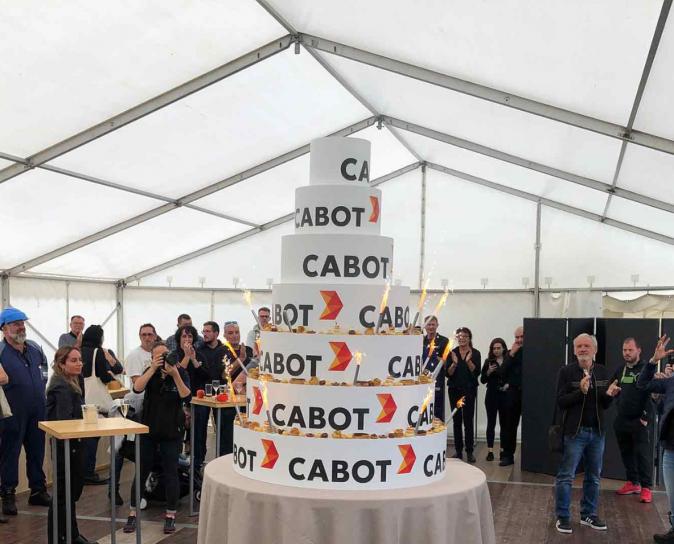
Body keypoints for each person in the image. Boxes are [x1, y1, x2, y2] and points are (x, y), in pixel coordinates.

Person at [123, 340, 191, 535]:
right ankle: (133, 513)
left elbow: (187, 397)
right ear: (152, 357)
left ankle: (170, 514)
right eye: (158, 356)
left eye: (165, 355)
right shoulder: (149, 373)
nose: (162, 359)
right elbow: (137, 388)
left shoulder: (180, 372)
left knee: (171, 472)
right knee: (142, 471)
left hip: (172, 431)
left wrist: (175, 373)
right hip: (149, 430)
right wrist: (152, 369)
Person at [554, 333, 618, 534]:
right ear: (573, 350)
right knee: (566, 476)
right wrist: (580, 392)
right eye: (579, 346)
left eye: (586, 346)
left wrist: (609, 396)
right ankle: (563, 517)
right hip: (575, 433)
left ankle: (588, 514)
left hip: (597, 433)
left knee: (594, 477)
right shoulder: (566, 372)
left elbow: (605, 405)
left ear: (594, 350)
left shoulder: (602, 371)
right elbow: (561, 401)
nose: (582, 349)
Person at [0, 307, 51, 516]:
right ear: (4, 328)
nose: (21, 327)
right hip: (12, 411)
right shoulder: (1, 353)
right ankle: (8, 494)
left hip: (37, 408)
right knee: (10, 453)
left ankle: (38, 490)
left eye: (22, 323)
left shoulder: (35, 348)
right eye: (15, 324)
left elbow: (45, 372)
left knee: (37, 450)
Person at [46, 346, 97, 544]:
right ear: (61, 364)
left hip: (73, 445)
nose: (79, 363)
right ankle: (61, 538)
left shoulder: (72, 380)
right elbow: (65, 421)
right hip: (65, 447)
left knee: (68, 494)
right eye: (73, 360)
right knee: (62, 495)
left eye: (80, 360)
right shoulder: (61, 385)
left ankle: (71, 534)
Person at [106, 323, 157, 506]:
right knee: (120, 449)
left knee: (146, 452)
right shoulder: (135, 356)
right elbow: (137, 385)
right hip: (134, 409)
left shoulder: (158, 354)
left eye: (150, 334)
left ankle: (147, 488)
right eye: (143, 334)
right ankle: (113, 489)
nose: (147, 337)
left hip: (153, 410)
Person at [635, 335, 674, 543]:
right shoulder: (670, 383)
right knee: (672, 496)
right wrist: (652, 361)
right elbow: (642, 385)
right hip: (670, 449)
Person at [611, 337, 653, 503]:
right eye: (624, 350)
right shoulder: (620, 369)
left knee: (642, 455)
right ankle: (632, 482)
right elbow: (611, 386)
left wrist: (645, 417)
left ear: (638, 350)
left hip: (639, 421)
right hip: (622, 421)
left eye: (630, 350)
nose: (627, 353)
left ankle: (646, 488)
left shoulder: (645, 369)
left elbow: (651, 394)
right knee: (626, 453)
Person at [80, 325, 123, 485]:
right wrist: (110, 376)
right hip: (96, 401)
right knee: (94, 436)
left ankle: (84, 471)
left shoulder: (78, 351)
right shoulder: (97, 352)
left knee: (87, 437)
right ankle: (88, 473)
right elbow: (102, 376)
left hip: (83, 398)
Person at [194, 321, 228, 472]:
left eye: (208, 331)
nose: (205, 334)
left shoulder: (225, 350)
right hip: (202, 394)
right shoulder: (198, 350)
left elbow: (227, 373)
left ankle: (222, 461)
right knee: (199, 428)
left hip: (221, 394)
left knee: (222, 428)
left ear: (216, 333)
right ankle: (198, 462)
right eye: (204, 331)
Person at [218, 321, 254, 456]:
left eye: (237, 332)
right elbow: (224, 374)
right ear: (225, 335)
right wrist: (240, 359)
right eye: (230, 333)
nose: (234, 336)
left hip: (246, 399)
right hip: (228, 400)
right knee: (227, 436)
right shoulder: (222, 350)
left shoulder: (248, 349)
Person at [447, 326, 481, 463]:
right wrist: (454, 364)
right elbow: (448, 374)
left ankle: (469, 451)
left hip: (469, 390)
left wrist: (467, 361)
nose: (462, 338)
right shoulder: (452, 353)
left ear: (469, 338)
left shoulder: (475, 353)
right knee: (456, 421)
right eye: (459, 336)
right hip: (454, 390)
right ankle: (458, 450)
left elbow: (476, 372)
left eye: (465, 336)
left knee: (468, 421)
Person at [496, 325, 524, 467]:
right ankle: (507, 455)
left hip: (530, 393)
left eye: (521, 337)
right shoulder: (509, 353)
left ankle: (532, 456)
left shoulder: (534, 351)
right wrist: (511, 354)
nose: (519, 340)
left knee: (532, 424)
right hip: (513, 393)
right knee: (509, 425)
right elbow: (501, 373)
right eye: (516, 337)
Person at [480, 338, 509, 462]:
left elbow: (513, 376)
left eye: (498, 348)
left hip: (505, 395)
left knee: (504, 424)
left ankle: (503, 450)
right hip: (491, 395)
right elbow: (482, 380)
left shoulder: (508, 361)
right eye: (494, 348)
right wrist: (488, 372)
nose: (496, 350)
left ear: (503, 348)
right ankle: (490, 450)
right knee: (491, 423)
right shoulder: (488, 361)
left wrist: (508, 384)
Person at [422, 315, 450, 421]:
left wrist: (437, 357)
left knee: (437, 408)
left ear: (437, 325)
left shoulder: (444, 341)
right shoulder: (420, 340)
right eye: (428, 324)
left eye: (433, 324)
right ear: (425, 326)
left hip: (437, 379)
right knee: (424, 406)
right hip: (423, 379)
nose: (431, 327)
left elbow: (448, 361)